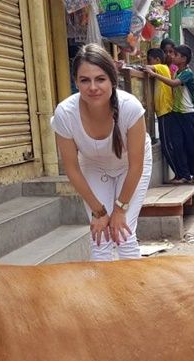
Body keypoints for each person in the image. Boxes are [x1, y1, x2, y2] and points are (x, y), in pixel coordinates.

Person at [51, 44, 152, 261]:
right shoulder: (64, 114)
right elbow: (72, 168)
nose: (93, 87)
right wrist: (100, 212)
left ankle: (135, 294)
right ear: (76, 82)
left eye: (100, 79)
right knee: (100, 237)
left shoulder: (130, 108)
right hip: (93, 166)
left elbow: (136, 166)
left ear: (112, 80)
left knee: (123, 234)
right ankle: (104, 295)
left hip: (130, 168)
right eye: (84, 80)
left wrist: (119, 209)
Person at [145, 44, 194, 184]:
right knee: (179, 144)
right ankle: (185, 174)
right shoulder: (178, 71)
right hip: (177, 113)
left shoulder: (187, 73)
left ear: (183, 59)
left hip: (188, 113)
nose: (172, 56)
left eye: (176, 55)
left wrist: (155, 75)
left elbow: (173, 84)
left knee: (191, 144)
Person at [147, 47, 177, 180]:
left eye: (150, 60)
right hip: (163, 111)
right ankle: (179, 173)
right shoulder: (162, 69)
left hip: (165, 110)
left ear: (157, 60)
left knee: (166, 145)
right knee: (167, 144)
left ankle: (179, 173)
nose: (149, 63)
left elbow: (147, 68)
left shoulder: (162, 68)